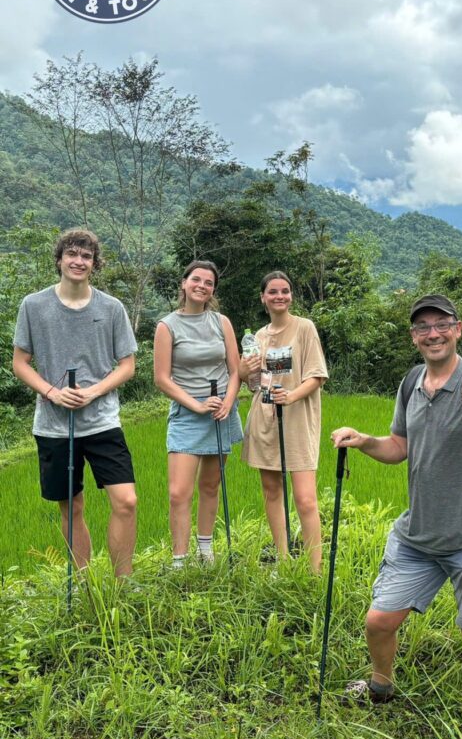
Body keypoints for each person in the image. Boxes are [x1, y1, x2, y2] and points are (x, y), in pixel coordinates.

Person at [332, 294, 462, 739]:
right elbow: (399, 446)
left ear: (458, 329)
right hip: (418, 535)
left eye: (441, 324)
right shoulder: (410, 384)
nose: (433, 333)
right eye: (423, 327)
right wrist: (364, 440)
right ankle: (381, 686)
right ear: (414, 337)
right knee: (379, 621)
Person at [12, 229, 137, 578]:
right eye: (72, 254)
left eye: (86, 256)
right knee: (71, 506)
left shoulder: (112, 308)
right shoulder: (34, 306)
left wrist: (94, 391)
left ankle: (122, 581)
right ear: (59, 259)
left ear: (95, 264)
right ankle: (83, 582)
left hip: (102, 420)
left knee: (126, 501)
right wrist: (52, 392)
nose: (78, 261)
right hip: (53, 424)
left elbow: (127, 365)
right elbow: (20, 361)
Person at [153, 260, 243, 567]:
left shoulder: (222, 322)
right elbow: (162, 378)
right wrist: (196, 404)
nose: (202, 286)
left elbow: (235, 370)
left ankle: (206, 551)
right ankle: (180, 558)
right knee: (179, 492)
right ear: (184, 283)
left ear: (213, 290)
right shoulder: (167, 326)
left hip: (221, 411)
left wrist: (228, 402)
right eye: (196, 280)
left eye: (208, 283)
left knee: (210, 485)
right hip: (188, 413)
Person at [240, 271, 328, 573]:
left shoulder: (304, 328)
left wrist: (291, 397)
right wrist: (243, 369)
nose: (280, 296)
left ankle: (315, 568)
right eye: (273, 292)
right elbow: (253, 383)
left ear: (291, 296)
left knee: (305, 498)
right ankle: (282, 559)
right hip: (265, 418)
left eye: (285, 291)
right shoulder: (258, 337)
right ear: (263, 297)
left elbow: (316, 376)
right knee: (272, 491)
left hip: (298, 419)